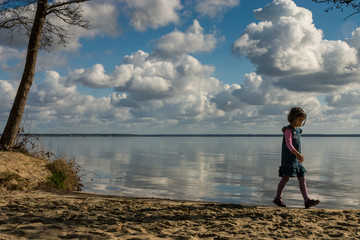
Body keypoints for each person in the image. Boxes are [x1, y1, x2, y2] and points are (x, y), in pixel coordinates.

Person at [273, 107, 320, 209]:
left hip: (297, 160)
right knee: (285, 178)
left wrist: (298, 156)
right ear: (293, 118)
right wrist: (297, 154)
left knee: (302, 178)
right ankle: (277, 198)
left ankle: (307, 200)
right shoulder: (288, 131)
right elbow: (289, 144)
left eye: (302, 121)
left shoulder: (298, 130)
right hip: (289, 159)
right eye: (299, 120)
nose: (301, 123)